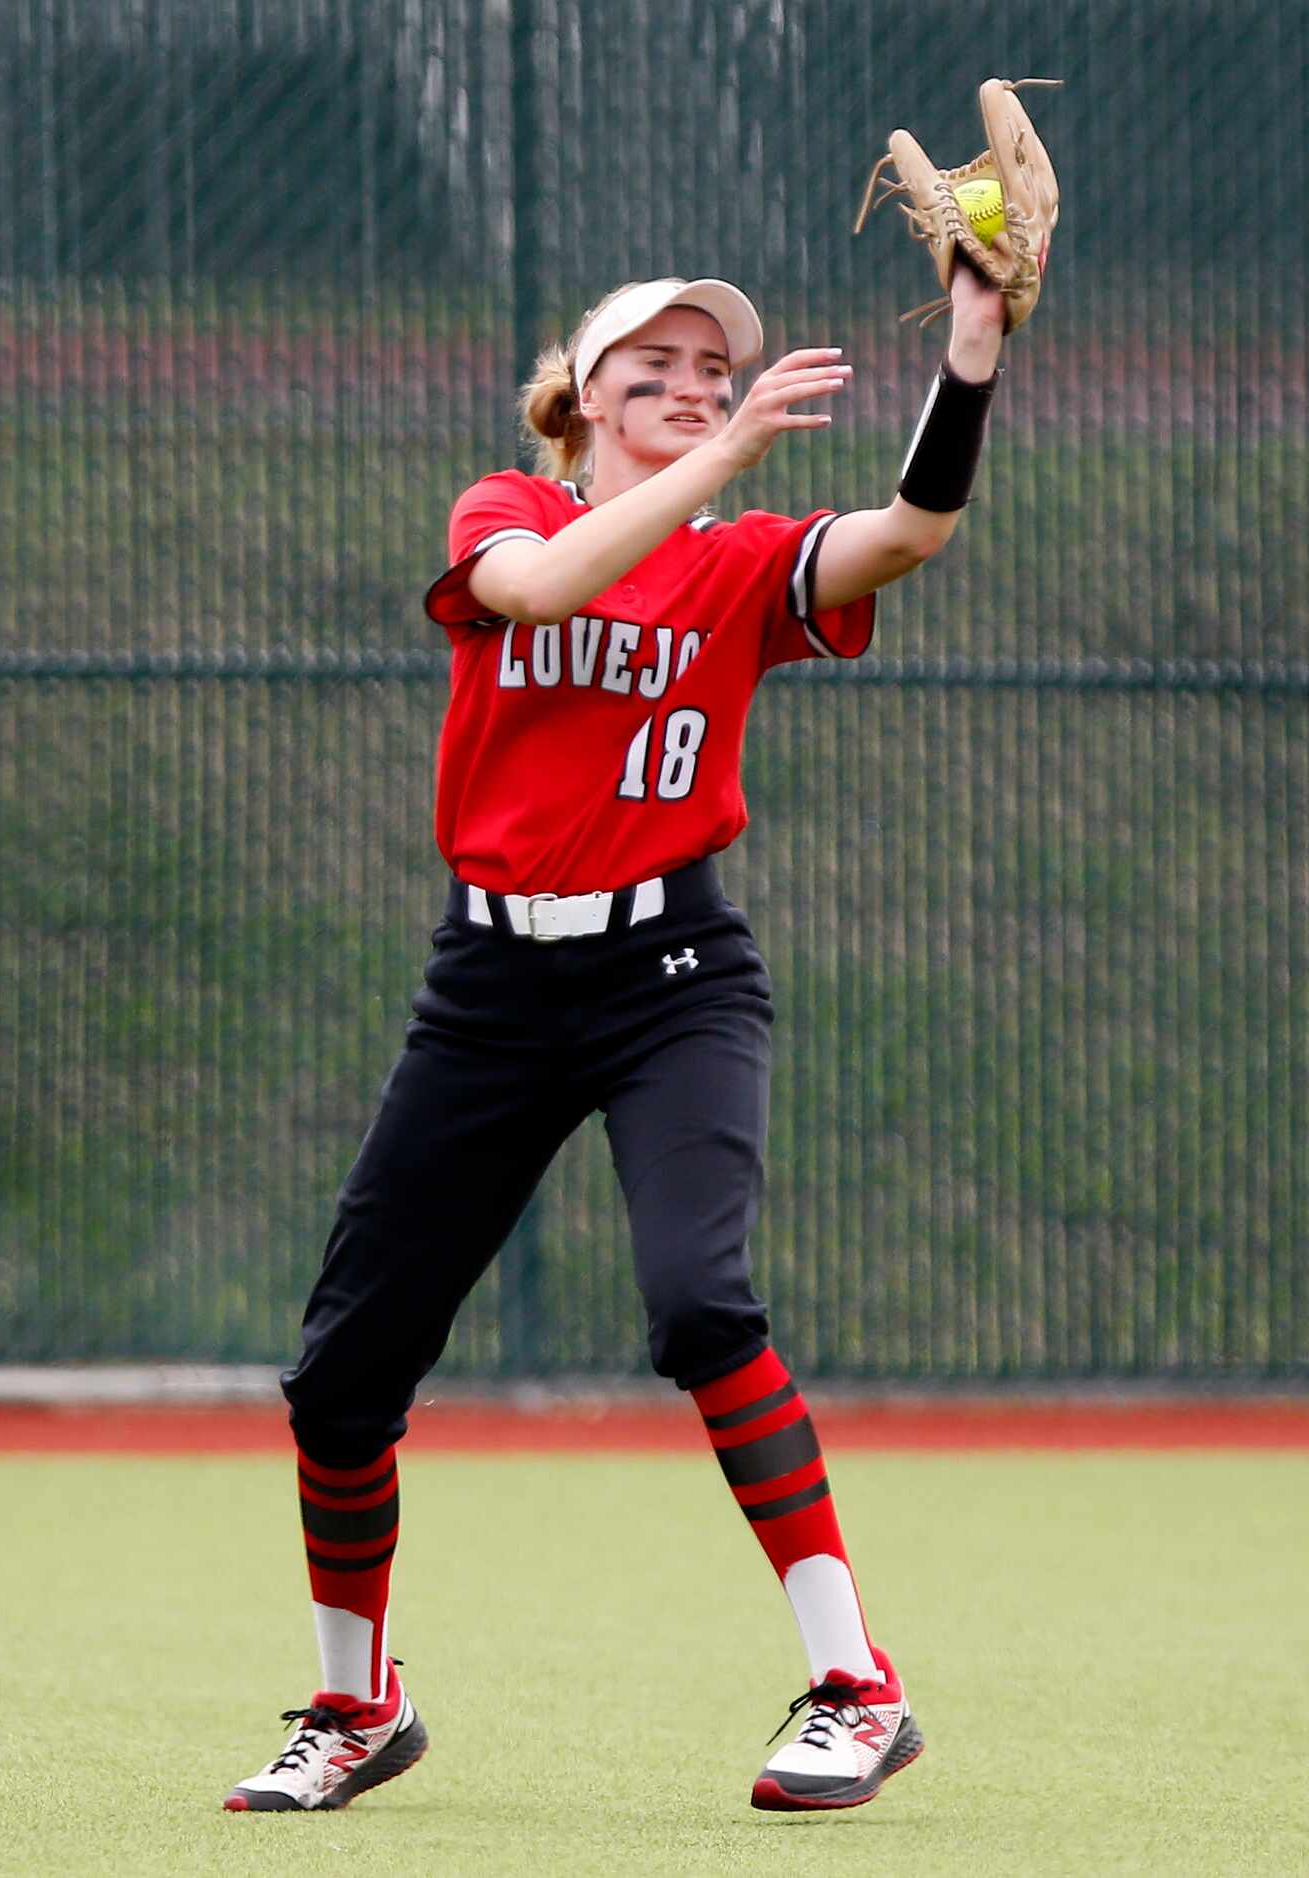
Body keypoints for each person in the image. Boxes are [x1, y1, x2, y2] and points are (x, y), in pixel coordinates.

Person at [224, 260, 1007, 1815]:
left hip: (674, 970)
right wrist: (721, 463)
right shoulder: (502, 505)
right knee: (342, 1374)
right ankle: (353, 1700)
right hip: (492, 987)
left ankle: (859, 1684)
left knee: (699, 1302)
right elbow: (536, 590)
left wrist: (970, 361)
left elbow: (907, 532)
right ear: (585, 387)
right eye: (659, 357)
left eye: (716, 366)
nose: (698, 380)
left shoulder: (739, 560)